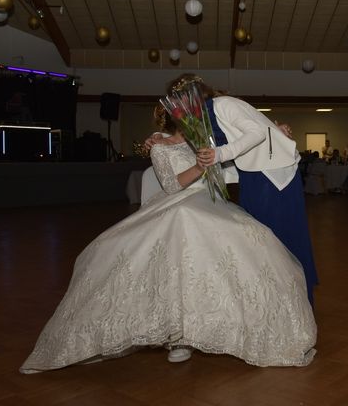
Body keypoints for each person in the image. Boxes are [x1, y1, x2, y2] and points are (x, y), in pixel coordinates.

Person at [20, 107, 317, 374]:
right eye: (186, 114)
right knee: (180, 225)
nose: (193, 118)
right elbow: (172, 186)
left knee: (255, 237)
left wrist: (275, 135)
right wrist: (200, 165)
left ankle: (241, 329)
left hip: (209, 204)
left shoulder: (203, 141)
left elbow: (234, 166)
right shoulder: (159, 146)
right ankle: (177, 337)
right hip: (177, 204)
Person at [180, 75, 319, 305]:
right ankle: (272, 301)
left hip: (272, 176)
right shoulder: (201, 118)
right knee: (260, 242)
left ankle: (293, 301)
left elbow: (257, 132)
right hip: (253, 174)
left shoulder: (222, 104)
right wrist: (159, 139)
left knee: (279, 240)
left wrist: (219, 154)